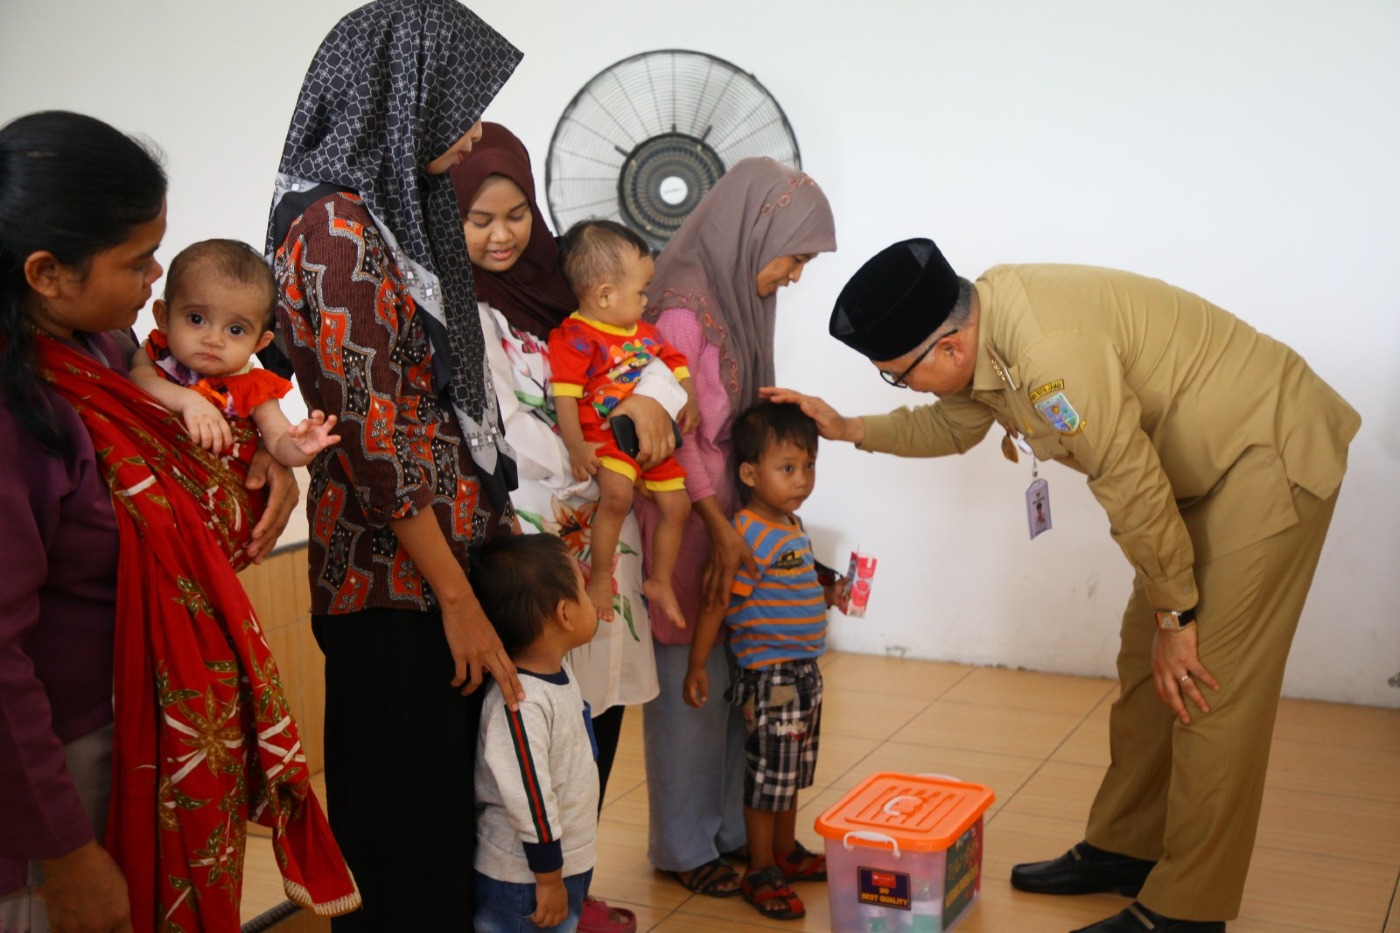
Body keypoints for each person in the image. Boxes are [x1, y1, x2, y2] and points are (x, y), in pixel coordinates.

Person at [767, 238, 1360, 933]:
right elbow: (955, 422)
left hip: (1264, 457)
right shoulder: (988, 327)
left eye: (899, 376)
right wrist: (850, 428)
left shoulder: (1048, 356)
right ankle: (1127, 847)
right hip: (1199, 476)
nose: (905, 387)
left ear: (951, 348)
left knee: (1205, 684)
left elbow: (1131, 482)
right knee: (1146, 665)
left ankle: (1187, 910)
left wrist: (1179, 617)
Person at [0, 110, 341, 933]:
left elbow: (179, 495)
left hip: (146, 724)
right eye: (136, 259)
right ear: (47, 271)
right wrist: (69, 853)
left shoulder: (113, 354)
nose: (157, 280)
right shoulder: (20, 412)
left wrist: (264, 469)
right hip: (57, 766)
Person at [266, 2, 523, 928]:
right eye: (461, 102)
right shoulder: (335, 228)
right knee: (403, 847)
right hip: (397, 586)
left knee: (442, 830)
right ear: (401, 95)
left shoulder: (392, 213)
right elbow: (377, 439)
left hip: (440, 572)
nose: (476, 130)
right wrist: (457, 598)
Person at [447, 122, 677, 806]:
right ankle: (536, 883)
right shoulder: (458, 310)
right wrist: (621, 438)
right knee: (537, 710)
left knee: (604, 701)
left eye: (517, 215)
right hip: (532, 537)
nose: (502, 235)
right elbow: (504, 429)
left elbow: (652, 363)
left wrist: (653, 406)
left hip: (609, 529)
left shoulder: (572, 288)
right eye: (478, 219)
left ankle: (580, 876)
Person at [637, 157, 836, 897]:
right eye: (795, 256)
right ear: (756, 232)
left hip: (730, 523)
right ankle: (685, 846)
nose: (793, 275)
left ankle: (736, 834)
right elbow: (677, 435)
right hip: (687, 521)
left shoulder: (734, 304)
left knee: (736, 682)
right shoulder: (685, 311)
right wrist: (720, 525)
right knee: (688, 686)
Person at [683, 401, 842, 920]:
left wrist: (830, 591)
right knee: (768, 775)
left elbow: (793, 582)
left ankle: (786, 851)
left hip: (803, 671)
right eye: (788, 468)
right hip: (770, 675)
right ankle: (760, 868)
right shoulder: (748, 534)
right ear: (749, 473)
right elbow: (719, 601)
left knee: (791, 770)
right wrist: (699, 663)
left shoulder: (789, 523)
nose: (802, 480)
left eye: (809, 467)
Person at [550, 219, 696, 627]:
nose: (648, 300)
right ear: (605, 294)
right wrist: (578, 446)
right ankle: (600, 577)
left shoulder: (643, 332)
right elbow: (565, 396)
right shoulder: (575, 337)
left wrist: (690, 395)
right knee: (616, 497)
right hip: (605, 437)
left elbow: (674, 362)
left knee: (678, 505)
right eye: (641, 291)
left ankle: (660, 581)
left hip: (652, 437)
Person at [468, 534, 601, 933]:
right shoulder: (520, 703)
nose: (591, 596)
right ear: (564, 613)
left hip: (562, 864)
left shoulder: (556, 677)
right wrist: (548, 876)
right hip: (525, 878)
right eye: (583, 588)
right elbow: (529, 794)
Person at [131, 239, 339, 476]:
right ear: (164, 317)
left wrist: (301, 447)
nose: (214, 339)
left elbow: (278, 440)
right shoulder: (157, 354)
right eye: (197, 319)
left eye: (236, 330)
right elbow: (139, 379)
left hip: (223, 488)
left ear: (259, 343)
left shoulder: (254, 387)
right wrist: (188, 400)